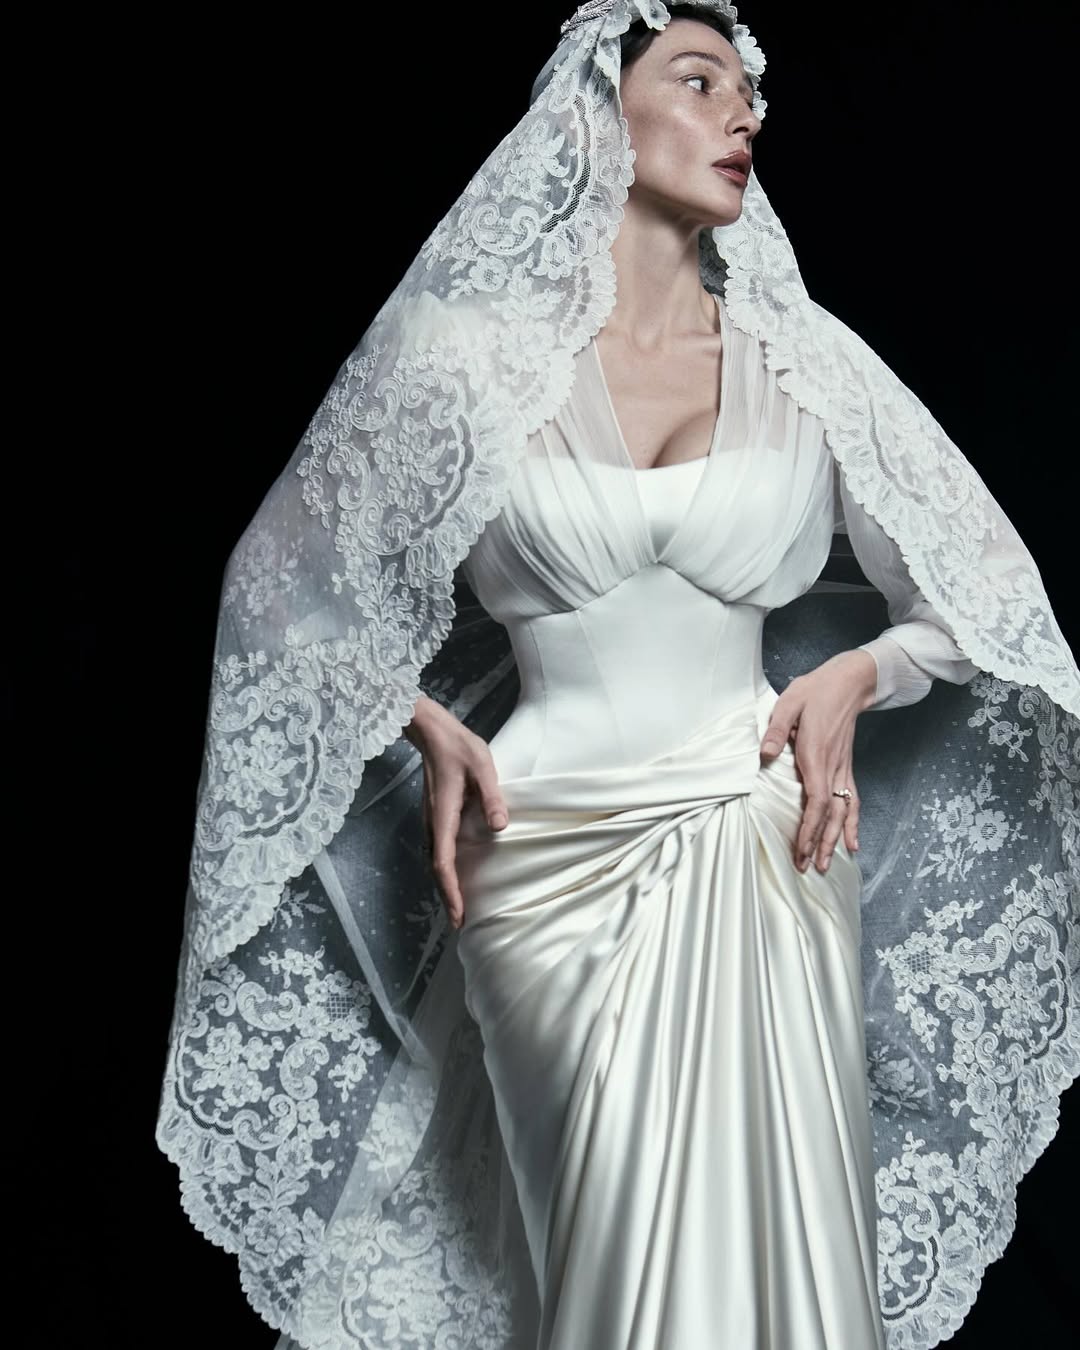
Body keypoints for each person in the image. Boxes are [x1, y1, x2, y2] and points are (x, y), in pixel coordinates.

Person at [156, 4, 1079, 1349]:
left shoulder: (803, 364)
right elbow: (281, 591)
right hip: (540, 856)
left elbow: (985, 600)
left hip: (763, 845)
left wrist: (860, 673)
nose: (742, 115)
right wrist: (413, 719)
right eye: (699, 82)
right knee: (608, 1268)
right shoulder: (464, 362)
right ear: (597, 113)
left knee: (774, 1275)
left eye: (749, 93)